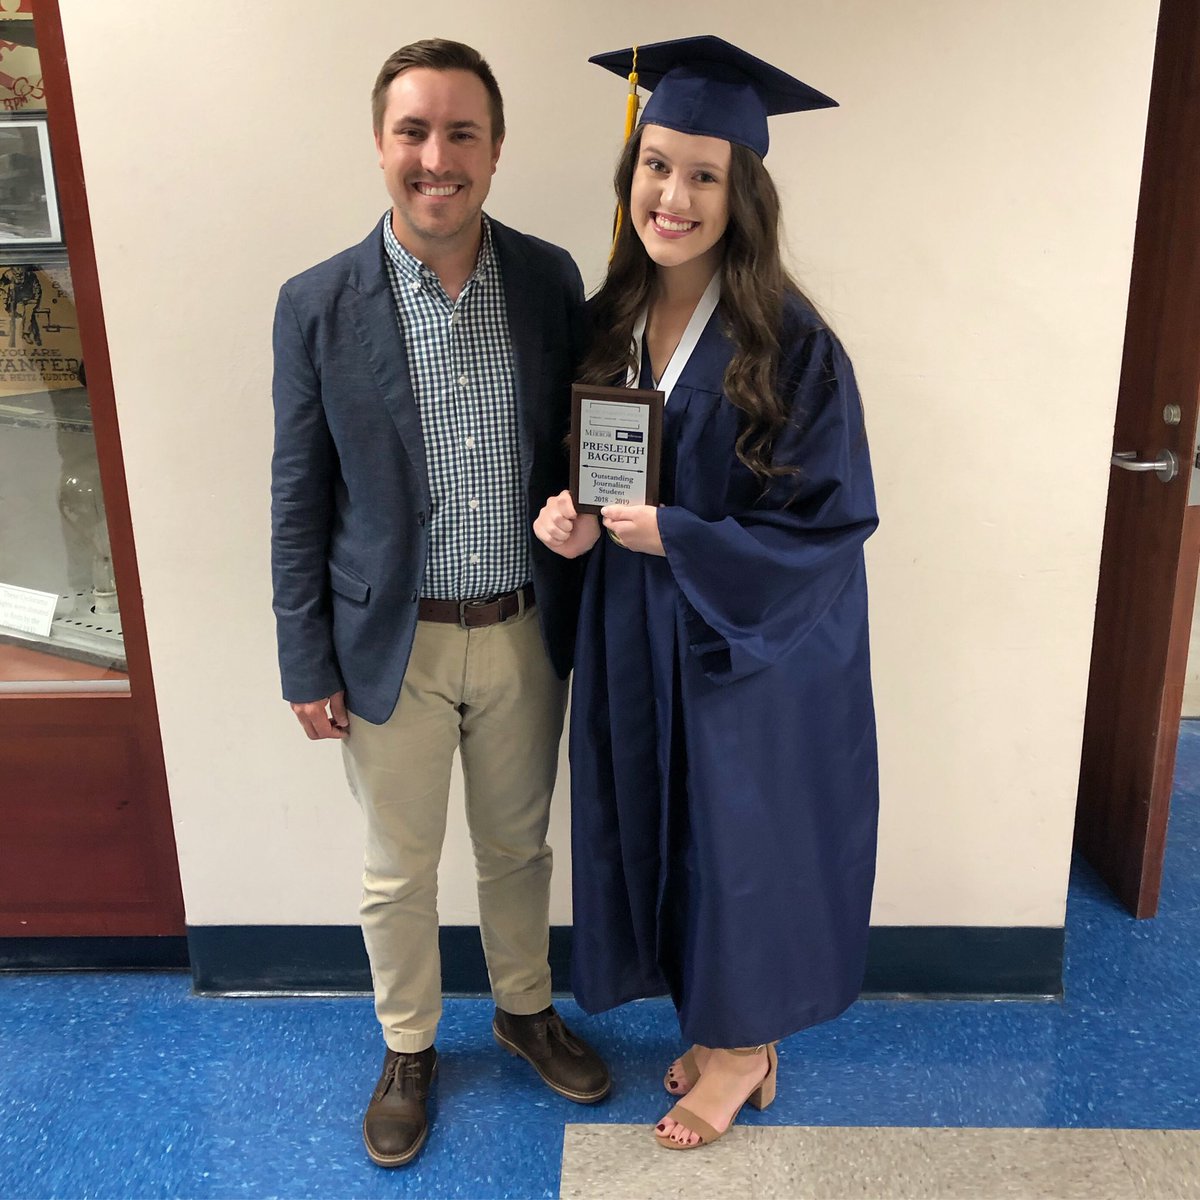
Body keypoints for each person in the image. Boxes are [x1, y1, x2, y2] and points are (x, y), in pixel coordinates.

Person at [535, 36, 879, 1151]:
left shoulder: (792, 343)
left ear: (744, 196)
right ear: (628, 172)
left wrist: (676, 537)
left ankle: (740, 1053)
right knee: (663, 831)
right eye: (656, 165)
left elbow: (827, 525)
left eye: (703, 174)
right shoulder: (609, 321)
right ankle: (720, 1023)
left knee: (737, 846)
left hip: (747, 650)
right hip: (640, 636)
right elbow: (597, 473)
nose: (671, 195)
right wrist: (573, 525)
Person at [271, 38, 609, 1169]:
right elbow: (297, 497)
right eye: (414, 131)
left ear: (497, 150)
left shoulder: (552, 277)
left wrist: (590, 512)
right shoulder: (317, 305)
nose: (437, 157)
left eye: (462, 132)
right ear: (381, 146)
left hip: (520, 626)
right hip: (392, 642)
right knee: (396, 867)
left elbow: (580, 444)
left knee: (519, 851)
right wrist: (303, 659)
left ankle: (523, 1009)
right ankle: (410, 1045)